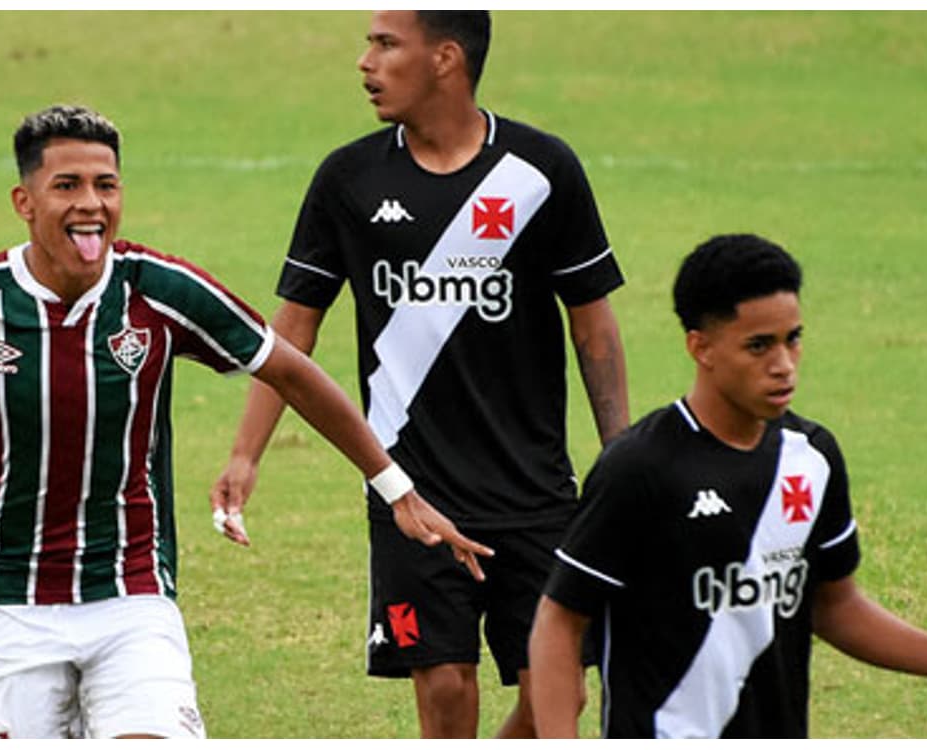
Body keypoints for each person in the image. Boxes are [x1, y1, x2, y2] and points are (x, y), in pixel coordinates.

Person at [0, 104, 492, 740]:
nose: (90, 203)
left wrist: (396, 490)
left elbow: (291, 371)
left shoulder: (158, 290)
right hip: (3, 598)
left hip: (132, 590)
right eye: (66, 186)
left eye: (106, 185)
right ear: (24, 202)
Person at [211, 11, 629, 739]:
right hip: (410, 491)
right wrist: (246, 453)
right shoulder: (349, 179)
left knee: (558, 700)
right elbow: (292, 330)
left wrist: (619, 457)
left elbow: (592, 325)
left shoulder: (540, 171)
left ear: (444, 58)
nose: (365, 62)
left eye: (384, 44)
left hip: (534, 491)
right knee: (443, 689)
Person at [528, 233, 927, 738]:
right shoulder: (641, 468)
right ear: (700, 347)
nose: (784, 364)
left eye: (793, 338)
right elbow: (560, 621)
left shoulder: (811, 457)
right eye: (759, 346)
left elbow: (832, 603)